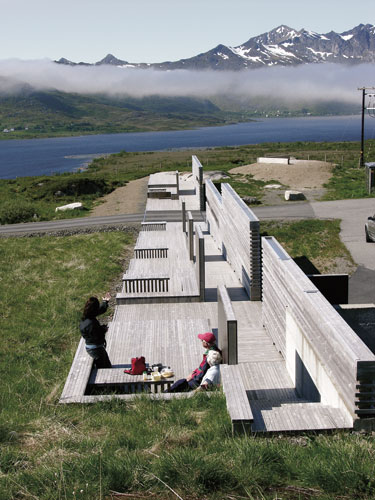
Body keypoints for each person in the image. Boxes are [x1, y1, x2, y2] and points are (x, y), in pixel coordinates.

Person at [79, 292, 112, 368]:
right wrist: (103, 329)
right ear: (95, 309)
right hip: (96, 349)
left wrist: (105, 302)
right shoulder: (92, 323)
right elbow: (96, 336)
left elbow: (100, 310)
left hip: (91, 346)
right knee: (105, 368)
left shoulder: (86, 316)